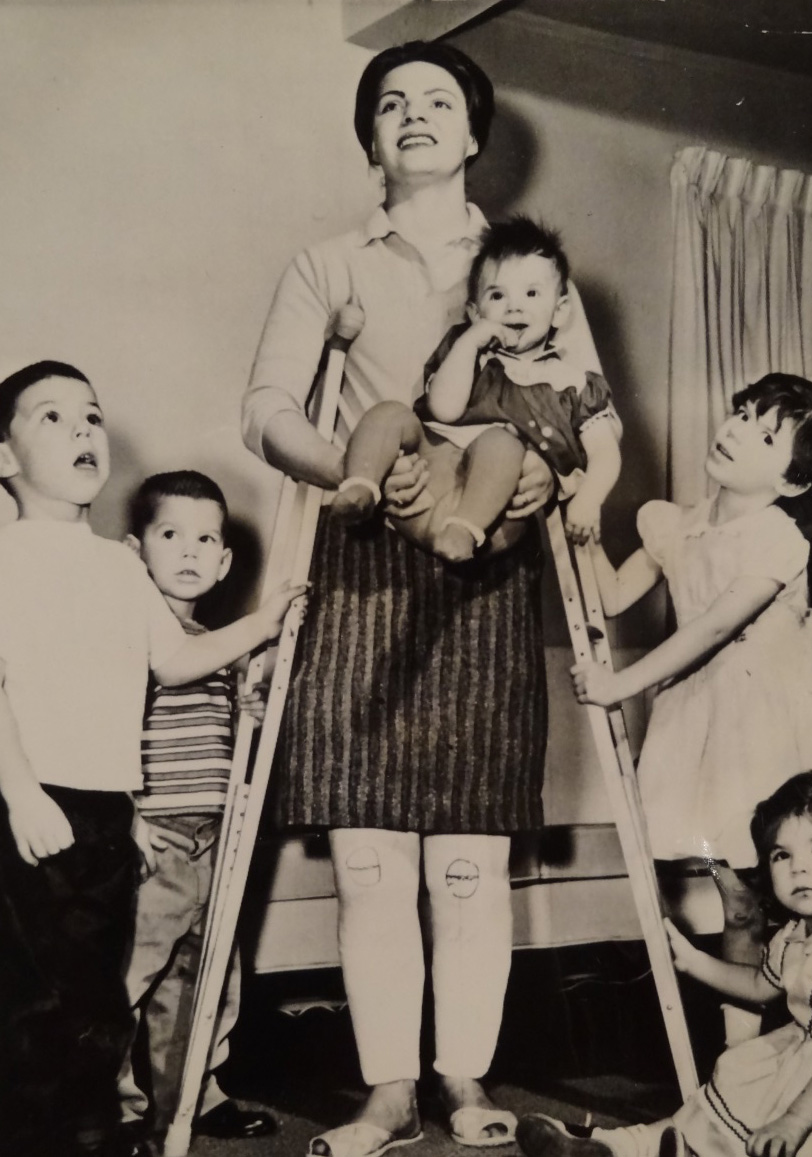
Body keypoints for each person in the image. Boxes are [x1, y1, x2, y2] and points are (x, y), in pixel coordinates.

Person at [242, 40, 619, 1157]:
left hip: (483, 566)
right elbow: (264, 405)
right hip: (365, 556)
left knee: (465, 862)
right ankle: (386, 1089)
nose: (411, 113)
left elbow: (585, 416)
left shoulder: (530, 268)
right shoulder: (327, 262)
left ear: (469, 136)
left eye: (436, 101)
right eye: (389, 102)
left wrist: (553, 477)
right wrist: (344, 472)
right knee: (369, 862)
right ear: (372, 141)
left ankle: (462, 1076)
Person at [0, 361, 302, 1157]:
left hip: (104, 806)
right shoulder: (7, 556)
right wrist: (20, 790)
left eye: (92, 416)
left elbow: (172, 661)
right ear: (3, 456)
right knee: (34, 998)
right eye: (53, 418)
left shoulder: (119, 566)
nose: (83, 432)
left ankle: (93, 1135)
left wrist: (264, 624)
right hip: (30, 802)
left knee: (99, 996)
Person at [571, 373, 812, 1044]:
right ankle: (738, 1058)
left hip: (770, 718)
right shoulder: (672, 523)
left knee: (796, 888)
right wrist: (584, 523)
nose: (738, 428)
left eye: (766, 433)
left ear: (793, 482)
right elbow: (616, 594)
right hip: (701, 716)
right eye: (743, 413)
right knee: (737, 898)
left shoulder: (778, 537)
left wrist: (620, 685)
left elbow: (711, 628)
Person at [515, 771, 812, 1157]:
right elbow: (759, 984)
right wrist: (693, 960)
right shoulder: (796, 934)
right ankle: (623, 1145)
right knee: (719, 1104)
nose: (798, 866)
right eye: (781, 854)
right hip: (811, 1052)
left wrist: (795, 1121)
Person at [117, 471, 282, 1145]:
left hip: (216, 836)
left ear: (223, 563)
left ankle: (197, 1092)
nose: (188, 551)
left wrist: (250, 699)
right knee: (130, 978)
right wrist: (129, 811)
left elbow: (232, 731)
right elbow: (110, 728)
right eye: (170, 534)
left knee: (210, 972)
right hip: (155, 838)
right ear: (136, 552)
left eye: (205, 538)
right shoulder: (134, 638)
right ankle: (116, 1106)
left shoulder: (215, 648)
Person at [333, 216, 620, 561]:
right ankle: (359, 490)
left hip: (490, 511)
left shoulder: (573, 383)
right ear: (474, 311)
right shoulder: (468, 354)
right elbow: (444, 410)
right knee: (389, 412)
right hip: (422, 483)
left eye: (531, 293)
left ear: (559, 311)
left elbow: (605, 453)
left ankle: (461, 529)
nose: (514, 305)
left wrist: (588, 499)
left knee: (502, 441)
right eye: (497, 295)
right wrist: (470, 343)